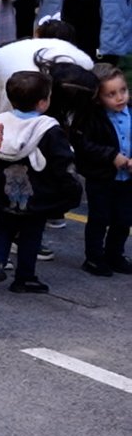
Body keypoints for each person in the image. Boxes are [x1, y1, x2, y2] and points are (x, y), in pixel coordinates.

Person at [0, 70, 80, 293]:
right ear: (43, 103)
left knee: (3, 228)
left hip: (2, 191)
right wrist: (70, 189)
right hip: (37, 194)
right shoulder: (47, 129)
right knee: (31, 235)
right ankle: (25, 277)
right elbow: (62, 162)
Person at [73, 65, 132, 277]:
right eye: (111, 94)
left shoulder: (130, 112)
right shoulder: (92, 117)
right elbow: (83, 143)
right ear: (98, 98)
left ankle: (115, 254)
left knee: (124, 219)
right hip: (101, 177)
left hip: (127, 179)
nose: (119, 98)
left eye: (123, 90)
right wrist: (110, 156)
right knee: (100, 218)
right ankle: (94, 258)